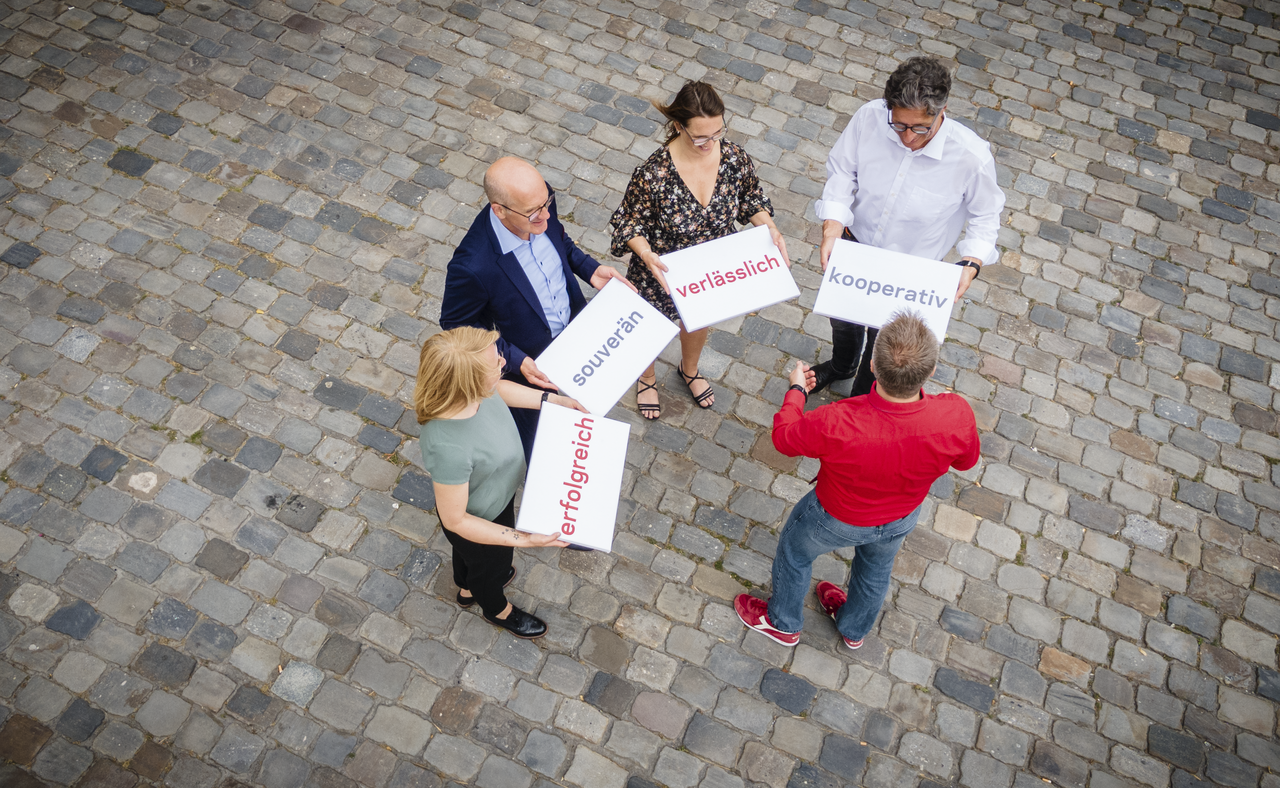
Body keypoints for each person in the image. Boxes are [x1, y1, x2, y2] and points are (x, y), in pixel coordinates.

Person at [735, 312, 980, 649]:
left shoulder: (836, 420)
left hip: (834, 515)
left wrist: (795, 392)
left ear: (873, 367)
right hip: (901, 516)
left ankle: (783, 623)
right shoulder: (956, 414)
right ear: (932, 370)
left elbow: (785, 439)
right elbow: (966, 462)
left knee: (794, 553)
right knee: (876, 569)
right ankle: (853, 630)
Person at [811, 56, 1005, 397]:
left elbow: (986, 216)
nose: (907, 138)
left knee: (883, 345)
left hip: (911, 270)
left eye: (919, 129)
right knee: (842, 320)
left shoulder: (971, 156)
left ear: (942, 112)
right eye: (899, 125)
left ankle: (861, 402)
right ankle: (842, 365)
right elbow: (843, 171)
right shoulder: (869, 118)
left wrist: (971, 264)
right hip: (854, 244)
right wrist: (831, 227)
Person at [610, 80, 789, 420]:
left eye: (717, 133)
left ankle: (688, 369)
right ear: (678, 126)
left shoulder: (734, 158)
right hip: (662, 269)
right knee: (650, 324)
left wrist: (770, 227)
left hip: (710, 269)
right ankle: (646, 376)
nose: (711, 143)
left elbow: (750, 198)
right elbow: (628, 222)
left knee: (699, 321)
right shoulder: (654, 174)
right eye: (701, 136)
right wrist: (646, 254)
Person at [440, 156, 633, 460]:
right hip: (531, 365)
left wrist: (589, 268)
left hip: (578, 332)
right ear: (499, 210)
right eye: (533, 213)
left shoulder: (539, 201)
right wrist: (515, 359)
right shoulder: (472, 265)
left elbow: (560, 241)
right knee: (542, 446)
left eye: (546, 204)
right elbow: (456, 325)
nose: (544, 215)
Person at [415, 326, 585, 638]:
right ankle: (496, 608)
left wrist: (553, 401)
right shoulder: (448, 447)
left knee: (476, 562)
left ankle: (465, 587)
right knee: (491, 566)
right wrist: (523, 539)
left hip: (496, 496)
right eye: (495, 364)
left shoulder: (475, 393)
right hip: (482, 517)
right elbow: (456, 520)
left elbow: (499, 391)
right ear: (469, 382)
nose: (503, 364)